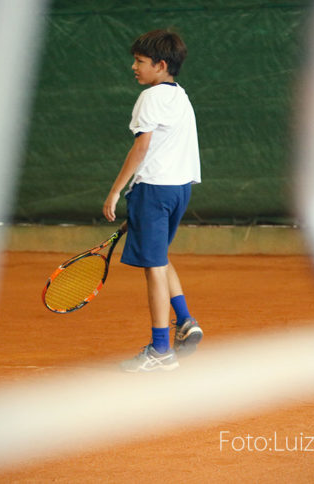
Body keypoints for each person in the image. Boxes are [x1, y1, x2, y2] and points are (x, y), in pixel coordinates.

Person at [103, 29, 203, 372]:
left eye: (140, 61)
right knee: (159, 256)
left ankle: (161, 350)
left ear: (160, 65)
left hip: (155, 190)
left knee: (154, 267)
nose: (134, 67)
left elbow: (141, 147)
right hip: (179, 189)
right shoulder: (181, 97)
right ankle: (185, 320)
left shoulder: (149, 98)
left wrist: (117, 190)